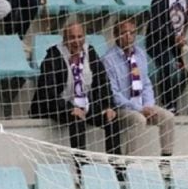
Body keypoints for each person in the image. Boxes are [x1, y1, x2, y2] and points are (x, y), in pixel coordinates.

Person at [30, 21, 122, 156]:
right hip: (58, 106)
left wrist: (108, 106)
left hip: (83, 103)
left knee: (111, 118)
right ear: (65, 39)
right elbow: (48, 93)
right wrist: (69, 108)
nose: (77, 41)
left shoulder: (89, 52)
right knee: (77, 119)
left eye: (80, 36)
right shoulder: (53, 56)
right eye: (72, 37)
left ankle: (117, 168)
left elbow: (103, 82)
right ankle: (81, 168)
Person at [103, 18, 175, 157]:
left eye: (132, 32)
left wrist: (148, 105)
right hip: (122, 108)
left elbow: (146, 83)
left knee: (168, 117)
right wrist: (139, 109)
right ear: (116, 35)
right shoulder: (108, 59)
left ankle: (166, 161)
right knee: (138, 119)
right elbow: (113, 93)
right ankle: (130, 161)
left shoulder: (140, 54)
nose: (129, 36)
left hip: (143, 105)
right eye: (124, 33)